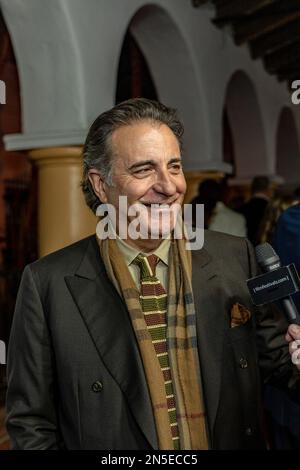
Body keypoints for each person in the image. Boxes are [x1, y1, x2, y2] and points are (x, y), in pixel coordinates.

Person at [5, 98, 300, 450]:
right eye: (144, 170)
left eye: (174, 167)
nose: (169, 185)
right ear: (101, 185)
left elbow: (280, 367)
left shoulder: (234, 256)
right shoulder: (48, 284)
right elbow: (31, 422)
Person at [240, 176, 273, 245]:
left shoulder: (241, 208)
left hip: (244, 249)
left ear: (252, 189)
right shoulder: (272, 210)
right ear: (269, 189)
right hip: (265, 251)